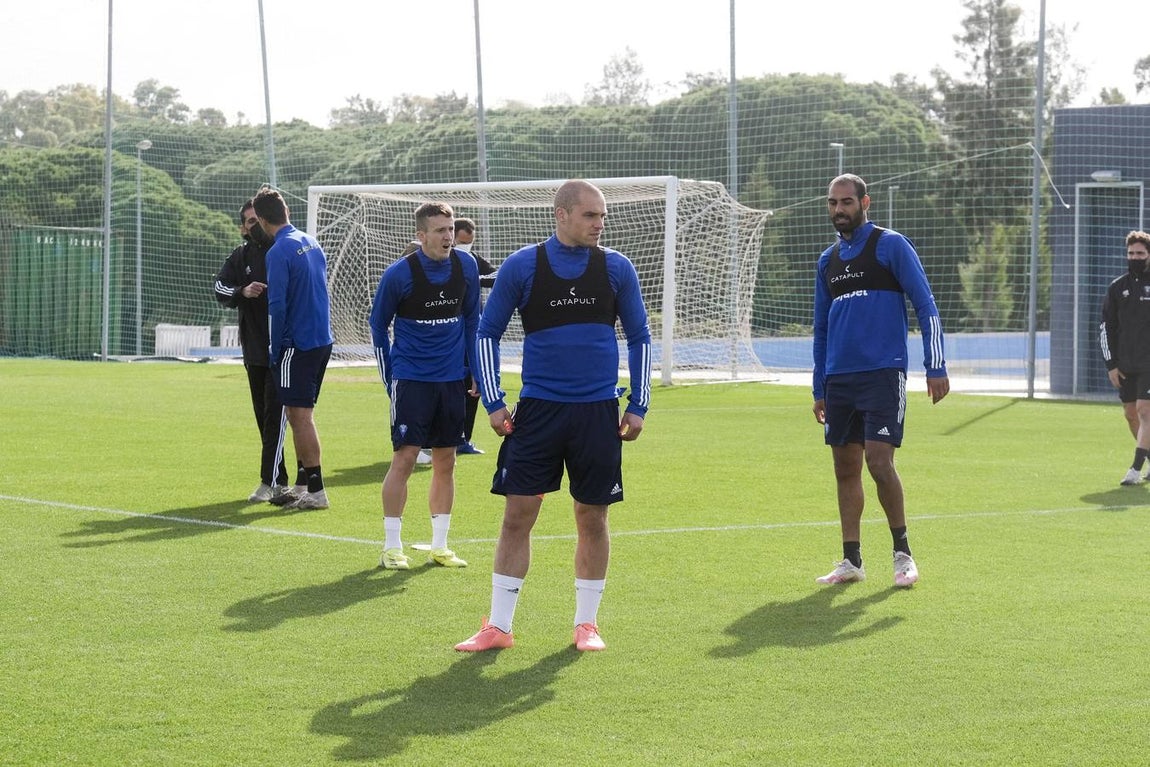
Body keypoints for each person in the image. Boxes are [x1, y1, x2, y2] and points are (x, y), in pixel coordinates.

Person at [454, 179, 652, 653]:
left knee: (593, 516)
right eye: (590, 216)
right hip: (538, 413)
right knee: (518, 515)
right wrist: (494, 401)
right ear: (561, 214)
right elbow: (486, 333)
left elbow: (640, 336)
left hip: (597, 413)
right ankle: (498, 627)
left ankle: (587, 624)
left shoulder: (616, 268)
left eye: (602, 216)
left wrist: (638, 403)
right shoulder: (523, 266)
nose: (599, 224)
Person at [811, 173, 948, 589]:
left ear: (864, 203)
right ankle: (851, 561)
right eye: (833, 203)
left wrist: (935, 364)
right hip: (839, 380)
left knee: (879, 461)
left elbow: (925, 304)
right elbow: (821, 329)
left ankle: (903, 554)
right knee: (844, 467)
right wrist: (819, 387)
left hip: (883, 373)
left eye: (846, 202)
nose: (839, 210)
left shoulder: (891, 245)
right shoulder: (827, 261)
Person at [369, 203, 481, 569]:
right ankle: (391, 546)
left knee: (446, 461)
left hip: (451, 380)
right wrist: (391, 376)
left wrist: (476, 372)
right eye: (440, 230)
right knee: (404, 458)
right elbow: (377, 326)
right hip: (412, 379)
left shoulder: (467, 266)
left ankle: (440, 545)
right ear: (422, 236)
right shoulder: (399, 275)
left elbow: (471, 321)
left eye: (450, 229)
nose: (448, 236)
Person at [253, 186, 334, 511]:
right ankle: (302, 484)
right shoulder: (310, 242)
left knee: (299, 416)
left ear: (260, 219)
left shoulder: (278, 251)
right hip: (320, 339)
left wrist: (275, 348)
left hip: (296, 345)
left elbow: (277, 305)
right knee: (302, 414)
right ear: (286, 211)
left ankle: (316, 490)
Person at [213, 199, 289, 503]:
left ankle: (274, 481)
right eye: (249, 221)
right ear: (243, 227)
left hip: (285, 350)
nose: (254, 225)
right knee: (265, 416)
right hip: (255, 350)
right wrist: (241, 291)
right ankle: (280, 478)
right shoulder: (240, 255)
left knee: (281, 417)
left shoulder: (284, 251)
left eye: (259, 219)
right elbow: (219, 287)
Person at [1100, 230, 1150, 486]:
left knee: (1144, 411)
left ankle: (1135, 468)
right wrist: (1111, 365)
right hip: (1125, 364)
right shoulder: (1117, 288)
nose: (1135, 257)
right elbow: (1105, 328)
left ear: (1149, 255)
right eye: (1131, 253)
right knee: (1131, 414)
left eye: (1140, 253)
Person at [453, 216, 499, 456]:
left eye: (470, 242)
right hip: (449, 334)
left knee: (474, 382)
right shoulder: (439, 261)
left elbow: (496, 277)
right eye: (462, 242)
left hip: (472, 332)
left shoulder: (473, 262)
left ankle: (463, 439)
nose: (466, 247)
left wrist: (477, 280)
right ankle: (432, 440)